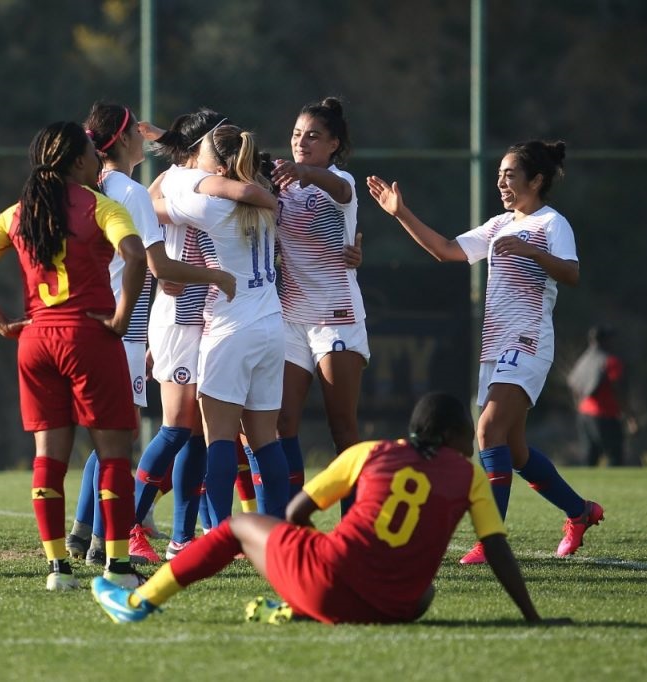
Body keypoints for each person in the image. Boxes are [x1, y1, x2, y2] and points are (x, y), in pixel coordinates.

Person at [91, 392, 568, 626]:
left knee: (237, 526)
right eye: (467, 433)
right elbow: (498, 550)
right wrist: (532, 616)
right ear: (449, 436)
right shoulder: (468, 477)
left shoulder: (370, 453)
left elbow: (297, 510)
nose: (470, 442)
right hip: (396, 606)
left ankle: (136, 604)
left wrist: (299, 551)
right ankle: (303, 604)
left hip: (326, 585)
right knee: (425, 596)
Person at [366, 140, 605, 564]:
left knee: (486, 431)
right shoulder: (497, 225)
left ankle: (490, 540)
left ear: (537, 180)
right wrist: (399, 212)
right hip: (495, 345)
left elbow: (572, 274)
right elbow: (446, 250)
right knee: (513, 450)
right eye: (498, 175)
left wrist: (534, 251)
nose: (501, 182)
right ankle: (580, 512)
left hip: (528, 341)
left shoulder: (552, 224)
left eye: (510, 175)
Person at [0, 121, 147, 591]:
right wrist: (121, 319)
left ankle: (57, 567)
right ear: (79, 162)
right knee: (114, 454)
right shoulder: (102, 206)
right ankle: (118, 567)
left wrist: (2, 323)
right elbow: (136, 256)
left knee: (48, 458)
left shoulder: (17, 213)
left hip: (36, 341)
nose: (99, 160)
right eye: (92, 154)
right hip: (88, 336)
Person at [65, 101, 238, 566]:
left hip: (108, 322)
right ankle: (112, 537)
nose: (144, 138)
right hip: (132, 324)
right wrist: (215, 278)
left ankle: (85, 534)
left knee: (111, 438)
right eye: (136, 133)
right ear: (123, 140)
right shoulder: (131, 191)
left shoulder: (99, 187)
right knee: (133, 436)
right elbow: (159, 266)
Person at [153, 123, 291, 531]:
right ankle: (276, 534)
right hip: (271, 325)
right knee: (266, 439)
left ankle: (218, 536)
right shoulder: (266, 200)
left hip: (231, 329)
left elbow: (152, 206)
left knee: (218, 440)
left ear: (216, 164)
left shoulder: (210, 205)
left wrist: (176, 169)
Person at [270, 97, 369, 514]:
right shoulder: (279, 184)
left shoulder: (338, 181)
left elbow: (342, 191)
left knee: (342, 427)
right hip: (292, 319)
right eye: (296, 135)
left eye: (313, 136)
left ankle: (356, 526)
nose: (301, 142)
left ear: (333, 144)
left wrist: (306, 172)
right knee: (281, 424)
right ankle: (293, 521)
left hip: (337, 319)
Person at [567, 324, 634, 466]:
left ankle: (585, 488)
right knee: (615, 457)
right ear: (604, 340)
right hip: (605, 415)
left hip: (584, 415)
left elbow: (573, 383)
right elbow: (618, 390)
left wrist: (578, 405)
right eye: (611, 338)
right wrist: (630, 417)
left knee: (589, 458)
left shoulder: (584, 359)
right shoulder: (610, 361)